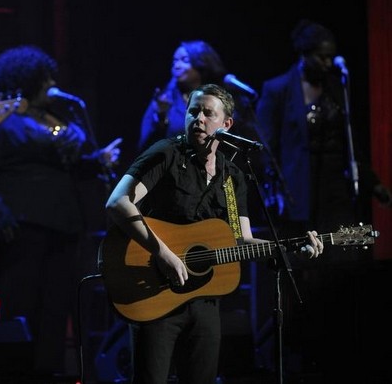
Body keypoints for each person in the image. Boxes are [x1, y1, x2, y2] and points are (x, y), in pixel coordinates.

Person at [104, 83, 324, 384]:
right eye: (193, 111)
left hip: (204, 301)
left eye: (208, 113)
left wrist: (291, 248)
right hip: (156, 291)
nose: (199, 119)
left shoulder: (232, 178)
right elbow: (118, 202)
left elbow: (241, 239)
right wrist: (164, 253)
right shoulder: (166, 153)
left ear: (226, 124)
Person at [0, 44, 121, 376]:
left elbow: (73, 163)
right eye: (44, 78)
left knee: (56, 305)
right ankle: (15, 372)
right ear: (26, 81)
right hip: (22, 224)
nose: (51, 83)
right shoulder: (0, 118)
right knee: (22, 302)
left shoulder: (57, 118)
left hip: (63, 223)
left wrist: (98, 161)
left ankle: (47, 372)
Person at [254, 19, 391, 379]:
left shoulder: (335, 88)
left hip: (336, 191)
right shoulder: (278, 89)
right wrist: (273, 189)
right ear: (304, 54)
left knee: (340, 267)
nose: (328, 63)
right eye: (321, 57)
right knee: (306, 272)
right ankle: (295, 353)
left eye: (331, 57)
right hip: (297, 193)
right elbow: (265, 145)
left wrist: (373, 183)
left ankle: (336, 350)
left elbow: (351, 142)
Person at [138, 40, 257, 154]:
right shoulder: (165, 100)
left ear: (201, 63)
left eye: (184, 60)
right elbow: (146, 147)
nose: (177, 66)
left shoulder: (226, 97)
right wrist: (160, 117)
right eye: (175, 61)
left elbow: (249, 139)